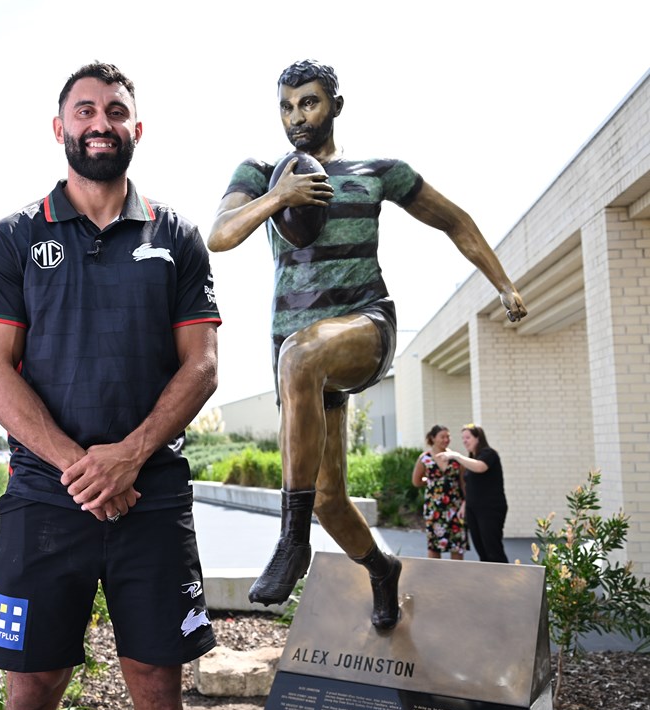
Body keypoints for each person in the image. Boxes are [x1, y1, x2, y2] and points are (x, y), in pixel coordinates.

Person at [0, 62, 221, 710]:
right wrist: (83, 466)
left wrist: (129, 459)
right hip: (46, 501)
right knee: (31, 692)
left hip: (152, 497)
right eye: (84, 111)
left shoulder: (178, 236)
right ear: (60, 128)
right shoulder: (13, 238)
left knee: (157, 690)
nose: (99, 123)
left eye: (114, 110)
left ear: (136, 128)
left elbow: (201, 367)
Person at [207, 59, 526, 629]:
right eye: (286, 106)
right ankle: (382, 569)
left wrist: (503, 285)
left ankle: (290, 539)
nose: (297, 117)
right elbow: (222, 234)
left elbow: (455, 220)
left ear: (335, 105)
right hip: (297, 358)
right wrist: (280, 196)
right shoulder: (262, 173)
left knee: (303, 353)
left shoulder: (378, 171)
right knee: (330, 498)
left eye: (309, 103)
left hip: (362, 327)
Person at [437, 424, 509, 563]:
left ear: (478, 438)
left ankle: (505, 581)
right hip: (473, 509)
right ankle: (489, 580)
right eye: (463, 438)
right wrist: (465, 505)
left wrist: (456, 456)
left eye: (468, 437)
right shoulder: (472, 458)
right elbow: (471, 485)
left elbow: (480, 467)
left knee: (493, 549)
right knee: (482, 550)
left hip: (490, 509)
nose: (465, 441)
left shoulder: (488, 454)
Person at [412, 425, 468, 559]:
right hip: (434, 509)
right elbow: (416, 481)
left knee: (457, 545)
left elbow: (463, 483)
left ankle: (457, 578)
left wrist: (466, 502)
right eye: (442, 437)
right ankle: (434, 578)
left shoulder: (455, 458)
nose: (446, 439)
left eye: (448, 436)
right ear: (433, 438)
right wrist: (432, 481)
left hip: (455, 507)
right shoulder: (424, 458)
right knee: (434, 546)